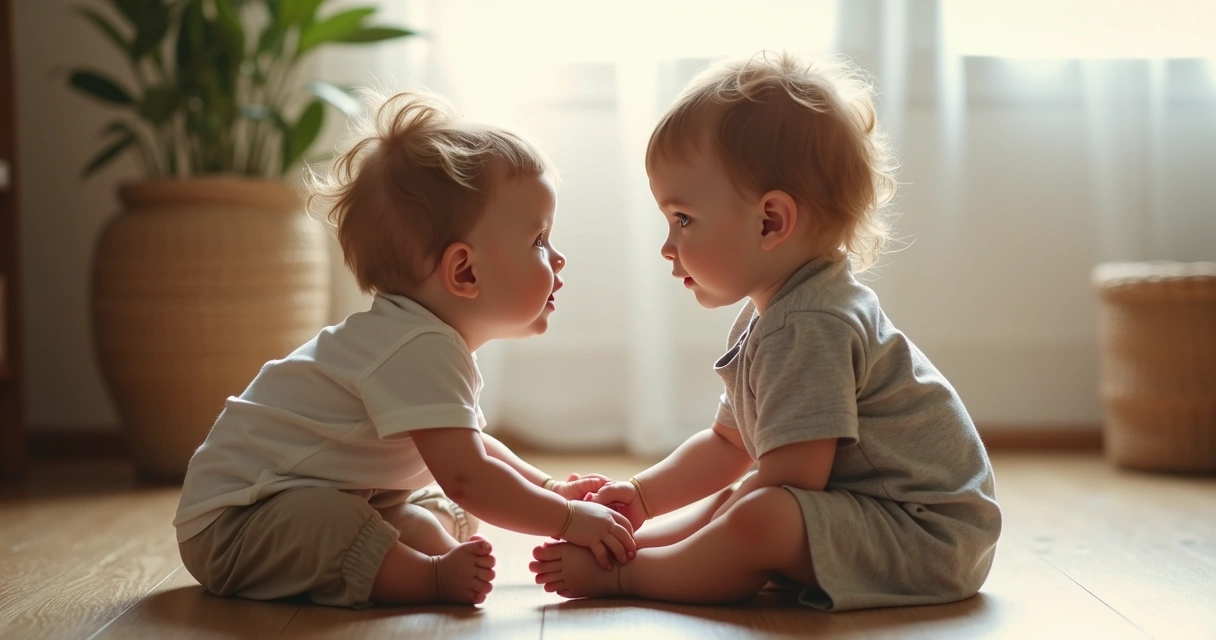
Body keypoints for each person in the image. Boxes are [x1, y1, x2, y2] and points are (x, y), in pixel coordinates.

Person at [530, 52, 1001, 611]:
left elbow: (793, 478)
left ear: (771, 221)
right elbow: (730, 443)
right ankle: (628, 550)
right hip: (880, 519)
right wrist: (639, 499)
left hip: (926, 539)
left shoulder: (810, 324)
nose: (667, 244)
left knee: (760, 513)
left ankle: (626, 577)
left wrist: (705, 529)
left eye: (682, 219)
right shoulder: (777, 313)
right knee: (738, 500)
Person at [173, 89, 636, 609]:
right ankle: (426, 578)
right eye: (539, 240)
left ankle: (411, 552)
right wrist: (568, 519)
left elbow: (475, 449)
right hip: (235, 522)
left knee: (425, 504)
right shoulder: (417, 346)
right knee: (351, 518)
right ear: (464, 271)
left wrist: (548, 488)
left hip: (338, 493)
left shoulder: (426, 340)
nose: (559, 257)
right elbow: (469, 475)